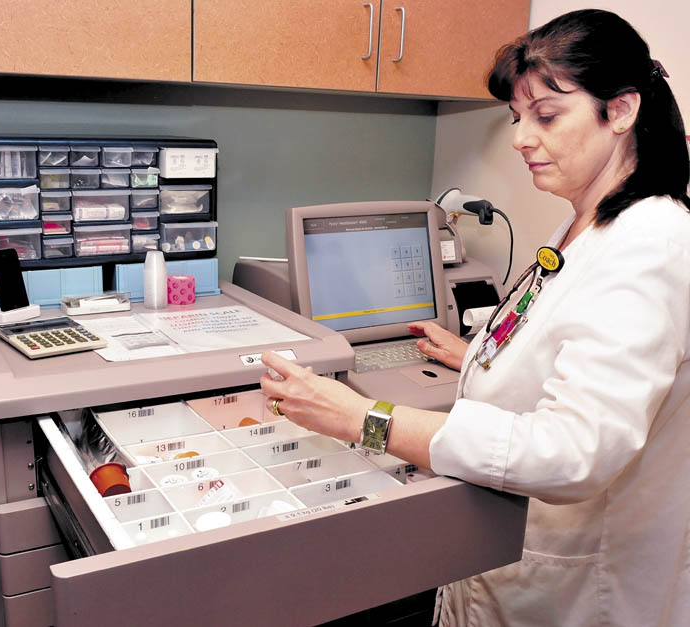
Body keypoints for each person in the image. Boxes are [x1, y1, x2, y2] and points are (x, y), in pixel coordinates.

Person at [260, 9, 690, 626]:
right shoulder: (585, 222)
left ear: (620, 111)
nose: (520, 138)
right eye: (518, 119)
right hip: (504, 556)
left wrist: (364, 419)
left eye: (546, 116)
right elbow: (574, 342)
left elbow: (573, 452)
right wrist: (478, 356)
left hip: (575, 586)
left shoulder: (652, 245)